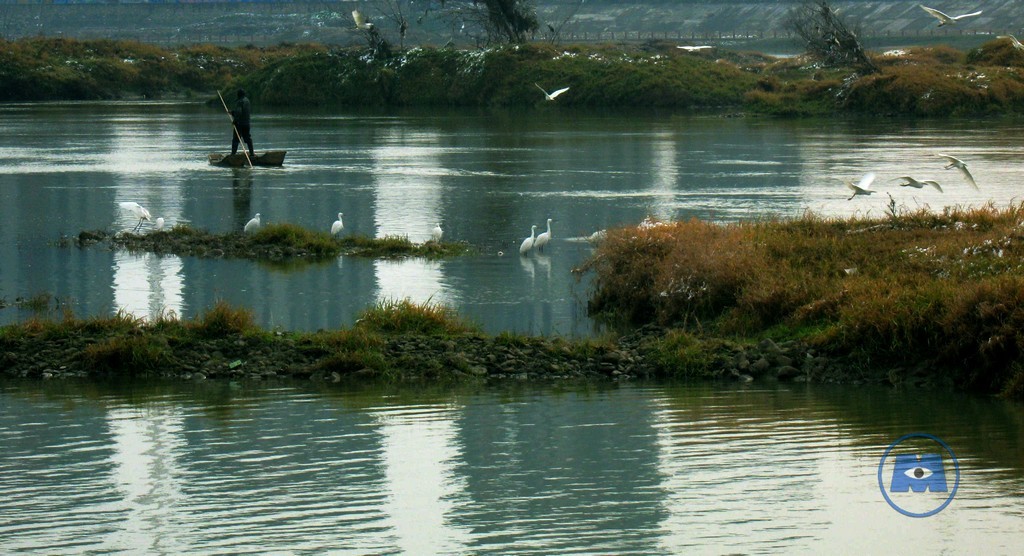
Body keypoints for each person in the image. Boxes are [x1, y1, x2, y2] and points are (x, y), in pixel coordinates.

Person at [231, 89, 254, 158]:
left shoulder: (240, 102)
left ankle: (233, 155)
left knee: (236, 139)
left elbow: (239, 112)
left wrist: (235, 121)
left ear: (239, 95)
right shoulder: (247, 101)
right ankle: (252, 154)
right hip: (247, 123)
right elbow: (243, 112)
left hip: (239, 124)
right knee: (248, 138)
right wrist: (232, 112)